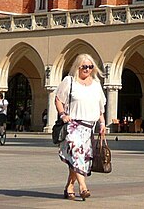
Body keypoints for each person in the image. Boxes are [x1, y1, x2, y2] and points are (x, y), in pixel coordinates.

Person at [56, 54, 107, 201]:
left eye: (90, 67)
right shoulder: (69, 81)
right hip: (73, 125)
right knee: (77, 154)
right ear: (77, 67)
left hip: (89, 127)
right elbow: (58, 99)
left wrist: (102, 123)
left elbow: (100, 107)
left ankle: (69, 187)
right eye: (84, 66)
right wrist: (62, 114)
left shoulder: (96, 84)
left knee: (78, 159)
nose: (87, 69)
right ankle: (83, 186)